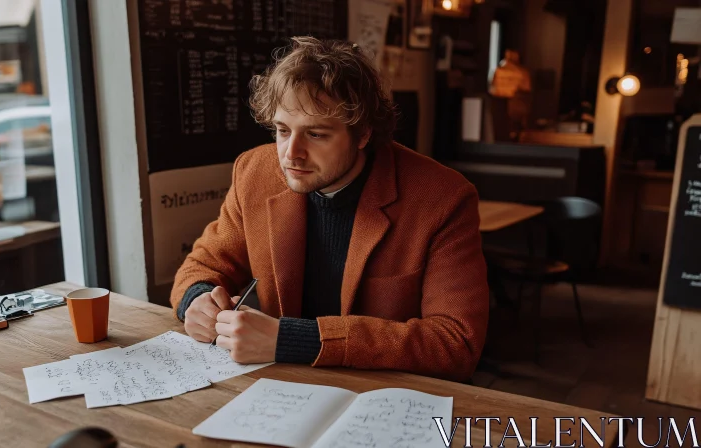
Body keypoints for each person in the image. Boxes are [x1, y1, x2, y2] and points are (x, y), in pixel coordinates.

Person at [170, 37, 489, 381]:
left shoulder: (443, 198)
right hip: (283, 388)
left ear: (363, 134)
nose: (291, 154)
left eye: (317, 134)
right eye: (281, 130)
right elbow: (203, 264)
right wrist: (198, 300)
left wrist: (296, 340)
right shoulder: (255, 172)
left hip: (386, 395)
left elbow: (456, 343)